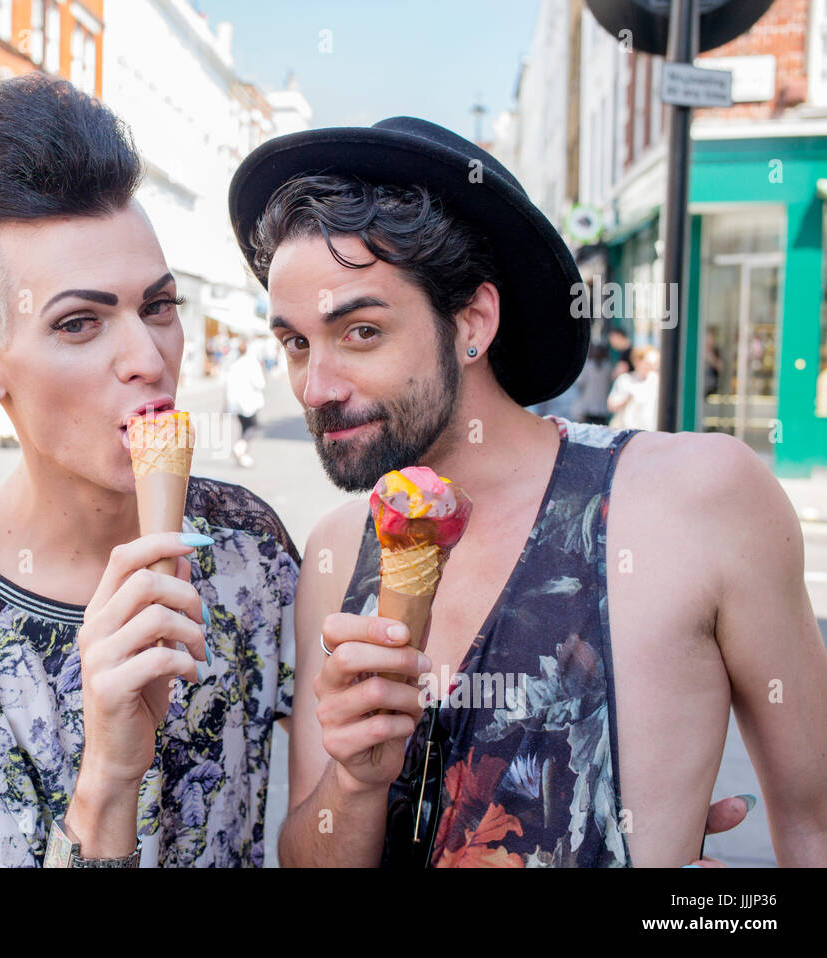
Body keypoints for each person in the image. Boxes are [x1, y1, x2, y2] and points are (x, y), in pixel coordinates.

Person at [227, 115, 825, 867]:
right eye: (295, 343)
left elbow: (815, 828)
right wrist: (353, 783)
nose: (315, 387)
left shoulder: (697, 500)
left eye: (362, 332)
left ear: (473, 321)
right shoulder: (338, 550)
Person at [0, 74, 297, 868]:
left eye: (157, 307)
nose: (146, 357)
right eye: (80, 323)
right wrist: (107, 778)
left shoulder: (249, 543)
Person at [223, 337, 266, 467]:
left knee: (244, 428)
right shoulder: (251, 364)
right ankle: (240, 447)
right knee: (252, 427)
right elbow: (260, 383)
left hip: (236, 403)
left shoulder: (234, 365)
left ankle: (243, 455)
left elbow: (228, 386)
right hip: (249, 402)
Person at [607, 345, 660, 432]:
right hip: (627, 433)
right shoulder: (625, 380)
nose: (651, 367)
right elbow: (611, 406)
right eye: (648, 363)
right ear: (637, 361)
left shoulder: (657, 382)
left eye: (655, 364)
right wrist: (627, 399)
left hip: (650, 433)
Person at [570, 343, 614, 425]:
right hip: (597, 408)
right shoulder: (607, 366)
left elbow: (579, 383)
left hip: (592, 408)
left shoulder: (590, 366)